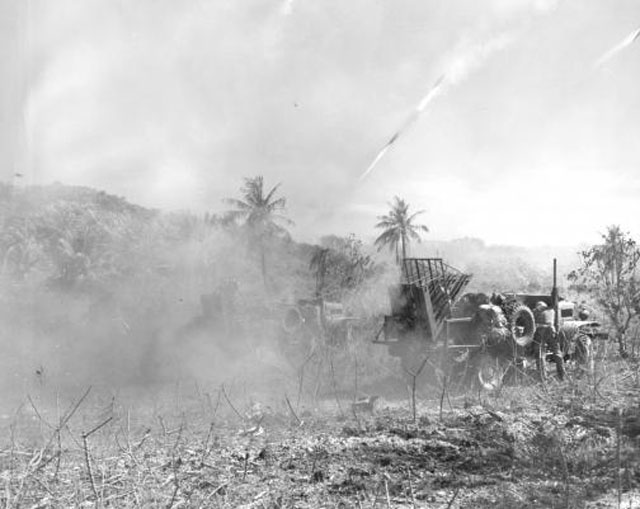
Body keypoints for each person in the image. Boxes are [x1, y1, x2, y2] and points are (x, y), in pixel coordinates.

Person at [533, 301, 565, 380]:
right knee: (557, 352)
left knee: (541, 353)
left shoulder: (536, 312)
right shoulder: (552, 311)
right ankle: (562, 374)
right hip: (552, 330)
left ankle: (543, 376)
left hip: (541, 331)